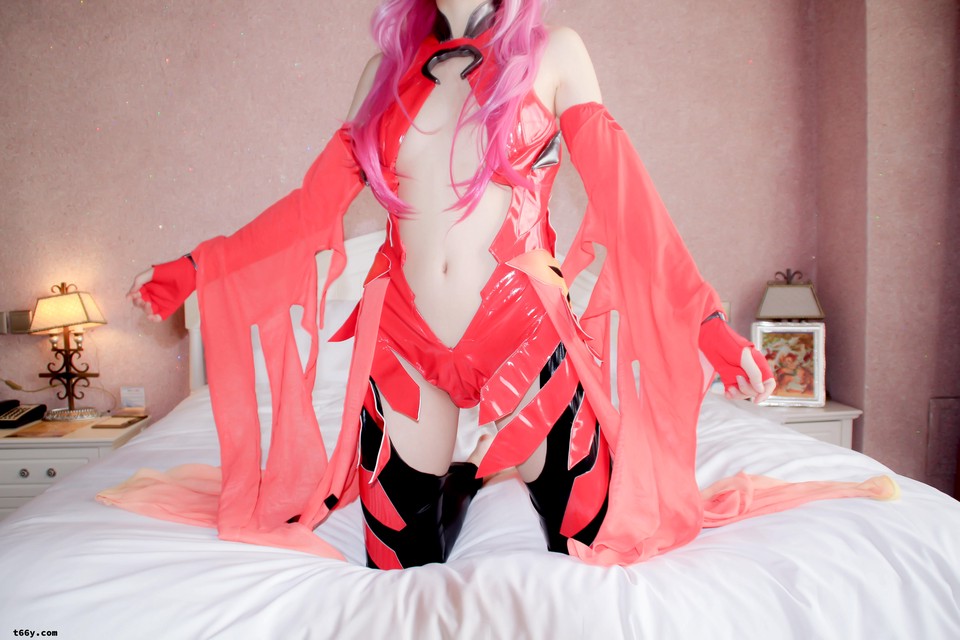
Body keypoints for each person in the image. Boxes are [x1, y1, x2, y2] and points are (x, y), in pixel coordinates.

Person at [110, 0, 894, 569]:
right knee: (398, 561)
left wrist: (706, 324)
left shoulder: (556, 52)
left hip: (525, 331)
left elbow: (629, 200)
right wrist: (198, 267)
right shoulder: (381, 75)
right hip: (406, 337)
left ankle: (486, 475)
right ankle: (463, 482)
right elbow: (311, 208)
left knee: (594, 542)